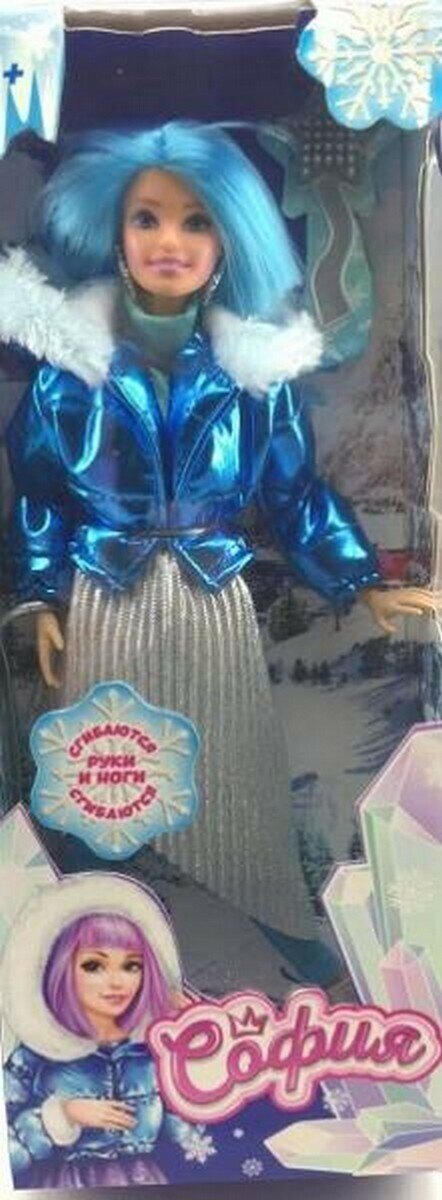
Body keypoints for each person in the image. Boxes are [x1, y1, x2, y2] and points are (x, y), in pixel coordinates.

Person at [0, 122, 433, 976]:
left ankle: (283, 926)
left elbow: (295, 494)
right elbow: (41, 495)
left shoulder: (250, 376)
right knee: (99, 773)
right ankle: (80, 934)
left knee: (235, 772)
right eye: (148, 218)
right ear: (114, 234)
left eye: (196, 222)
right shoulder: (69, 374)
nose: (171, 241)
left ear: (229, 239)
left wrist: (360, 580)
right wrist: (39, 596)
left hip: (212, 598)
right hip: (106, 596)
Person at [1, 873, 201, 1190]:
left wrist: (199, 1035)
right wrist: (60, 1116)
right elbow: (7, 1155)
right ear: (58, 968)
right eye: (94, 965)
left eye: (131, 965)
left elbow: (194, 1143)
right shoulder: (35, 1056)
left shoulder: (150, 1051)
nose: (117, 982)